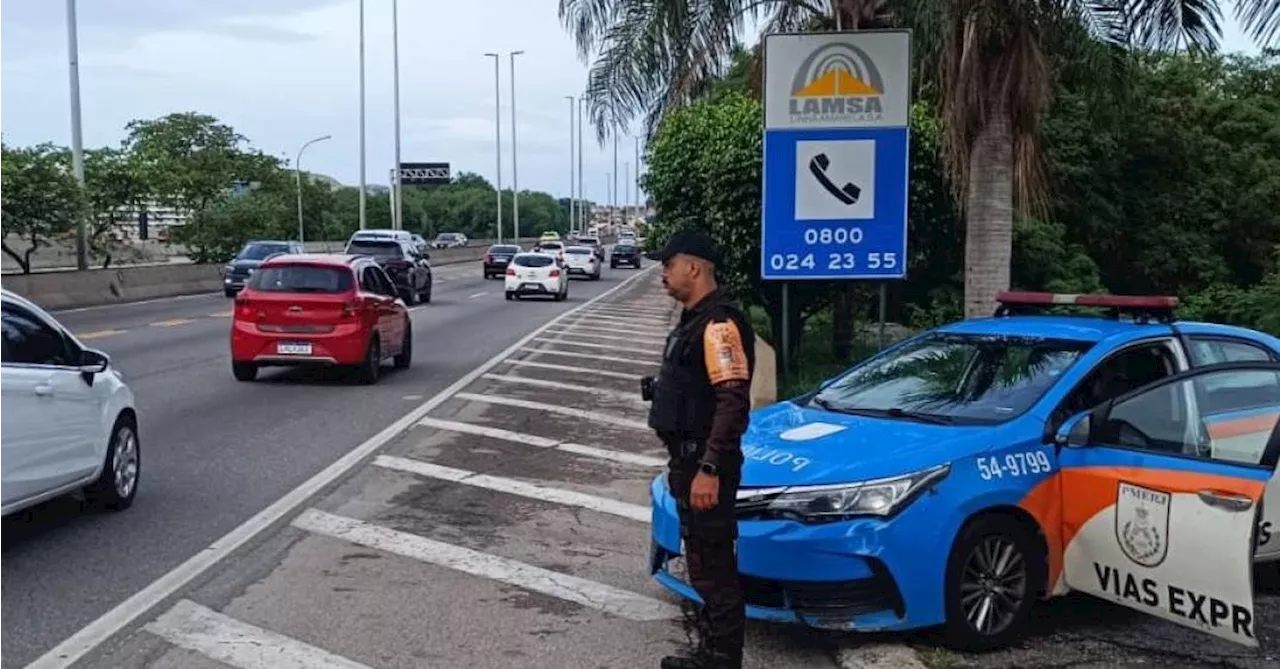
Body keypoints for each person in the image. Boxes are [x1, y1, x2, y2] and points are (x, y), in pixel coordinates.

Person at [641, 230, 754, 669]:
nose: (663, 274)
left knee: (715, 568)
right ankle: (711, 652)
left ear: (694, 268)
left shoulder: (719, 325)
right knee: (704, 565)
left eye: (668, 266)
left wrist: (710, 467)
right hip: (687, 461)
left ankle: (722, 659)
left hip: (704, 465)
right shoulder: (695, 320)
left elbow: (732, 402)